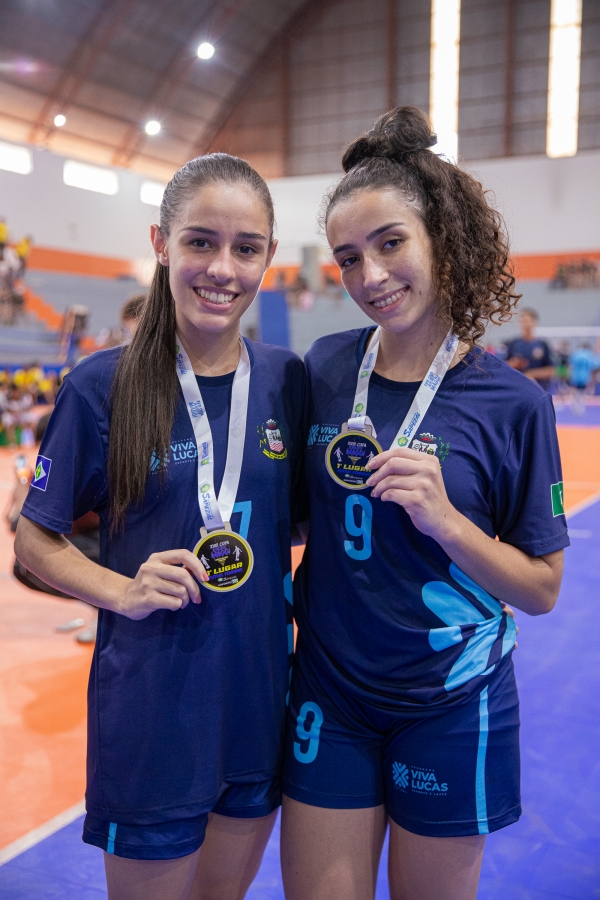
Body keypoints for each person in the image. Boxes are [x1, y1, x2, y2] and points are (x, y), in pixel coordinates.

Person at [281, 107, 568, 900]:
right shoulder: (325, 367)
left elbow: (542, 589)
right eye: (348, 258)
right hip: (331, 692)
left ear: (441, 236)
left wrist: (448, 523)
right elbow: (299, 516)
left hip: (453, 701)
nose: (369, 276)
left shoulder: (514, 404)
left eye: (390, 243)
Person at [15, 152, 306, 900]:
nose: (223, 269)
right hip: (153, 709)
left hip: (258, 701)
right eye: (200, 241)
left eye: (246, 248)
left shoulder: (287, 380)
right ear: (161, 243)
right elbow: (33, 538)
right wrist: (120, 589)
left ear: (269, 256)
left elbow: (299, 521)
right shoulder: (101, 385)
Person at [505, 308, 554, 391]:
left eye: (526, 321)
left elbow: (550, 371)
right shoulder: (513, 343)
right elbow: (504, 366)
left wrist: (531, 374)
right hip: (517, 388)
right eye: (521, 321)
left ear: (534, 322)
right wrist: (514, 364)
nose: (524, 324)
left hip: (538, 389)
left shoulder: (542, 345)